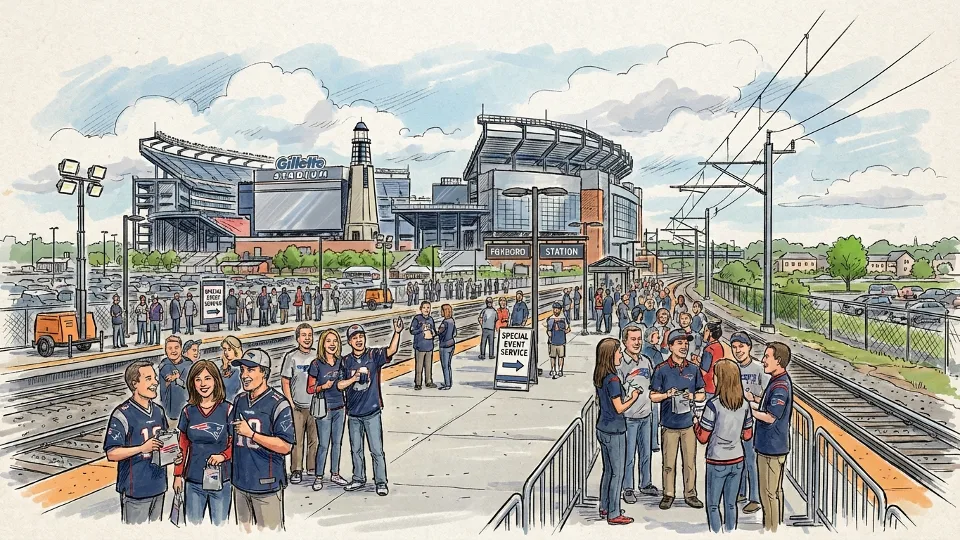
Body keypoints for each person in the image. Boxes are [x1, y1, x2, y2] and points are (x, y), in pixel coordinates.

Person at [104, 360, 180, 524]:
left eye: (154, 378)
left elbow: (164, 444)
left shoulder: (159, 412)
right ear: (135, 384)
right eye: (149, 379)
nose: (155, 383)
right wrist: (141, 448)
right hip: (135, 491)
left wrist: (174, 455)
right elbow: (112, 453)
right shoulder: (121, 414)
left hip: (159, 487)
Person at [229, 348, 294, 531]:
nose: (244, 375)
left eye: (250, 370)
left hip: (267, 487)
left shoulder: (278, 403)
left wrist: (252, 435)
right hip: (241, 483)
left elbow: (286, 446)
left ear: (264, 372)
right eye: (242, 370)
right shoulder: (239, 400)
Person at [338, 319, 404, 496]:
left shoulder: (374, 355)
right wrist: (353, 379)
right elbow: (339, 385)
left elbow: (391, 350)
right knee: (356, 449)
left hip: (372, 411)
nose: (358, 340)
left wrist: (397, 332)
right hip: (353, 413)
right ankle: (358, 478)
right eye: (354, 338)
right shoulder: (345, 362)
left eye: (361, 336)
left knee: (376, 449)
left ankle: (381, 481)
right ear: (349, 342)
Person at [694, 359, 754, 533]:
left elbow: (703, 437)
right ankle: (730, 532)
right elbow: (747, 435)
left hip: (717, 460)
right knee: (731, 504)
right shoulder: (744, 404)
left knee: (713, 505)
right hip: (737, 459)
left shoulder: (713, 405)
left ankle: (715, 533)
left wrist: (696, 423)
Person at [173, 359, 234, 526]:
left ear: (216, 380)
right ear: (192, 383)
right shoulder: (188, 412)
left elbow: (235, 444)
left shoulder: (228, 410)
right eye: (198, 379)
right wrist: (178, 475)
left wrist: (223, 456)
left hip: (222, 481)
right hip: (193, 480)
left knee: (220, 527)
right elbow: (182, 447)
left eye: (207, 378)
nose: (203, 384)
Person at [650, 329, 705, 510]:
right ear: (671, 346)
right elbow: (652, 396)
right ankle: (669, 494)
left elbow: (702, 395)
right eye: (679, 343)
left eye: (686, 343)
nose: (684, 346)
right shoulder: (661, 370)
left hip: (688, 424)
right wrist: (667, 394)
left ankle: (690, 493)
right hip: (669, 424)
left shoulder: (693, 369)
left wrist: (691, 397)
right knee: (669, 463)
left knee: (690, 463)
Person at [745, 342, 793, 532]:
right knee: (776, 491)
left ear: (778, 361)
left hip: (770, 448)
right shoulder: (778, 380)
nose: (763, 360)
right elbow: (768, 405)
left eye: (767, 357)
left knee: (768, 494)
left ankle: (771, 529)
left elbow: (770, 416)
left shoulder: (780, 386)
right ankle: (778, 526)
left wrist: (748, 410)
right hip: (776, 446)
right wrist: (755, 400)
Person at [593, 337, 640, 525]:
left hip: (602, 427)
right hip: (615, 430)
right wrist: (634, 397)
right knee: (617, 473)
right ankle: (613, 513)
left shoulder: (600, 374)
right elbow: (620, 407)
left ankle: (604, 506)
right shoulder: (613, 379)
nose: (620, 354)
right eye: (618, 351)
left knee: (608, 470)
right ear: (610, 355)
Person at [618, 326, 658, 505]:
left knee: (646, 452)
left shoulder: (646, 361)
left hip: (646, 414)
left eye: (639, 339)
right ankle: (628, 487)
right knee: (629, 455)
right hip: (629, 417)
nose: (637, 342)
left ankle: (645, 483)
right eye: (633, 339)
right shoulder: (620, 364)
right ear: (625, 341)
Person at [307, 329, 350, 491]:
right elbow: (310, 389)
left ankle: (335, 473)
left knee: (337, 443)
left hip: (340, 407)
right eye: (329, 341)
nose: (332, 344)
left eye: (335, 341)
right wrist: (323, 386)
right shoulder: (316, 364)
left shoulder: (341, 362)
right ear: (323, 344)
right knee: (324, 444)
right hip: (324, 409)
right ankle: (319, 477)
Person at [730, 332, 768, 515]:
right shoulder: (732, 369)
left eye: (741, 347)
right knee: (740, 459)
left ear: (749, 347)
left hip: (753, 422)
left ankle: (755, 498)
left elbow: (768, 399)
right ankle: (741, 492)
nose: (738, 351)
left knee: (751, 460)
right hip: (736, 422)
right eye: (735, 347)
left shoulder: (759, 369)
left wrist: (753, 398)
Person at [281, 323, 319, 484]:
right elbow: (285, 380)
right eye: (304, 335)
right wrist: (290, 402)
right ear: (298, 338)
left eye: (309, 335)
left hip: (315, 405)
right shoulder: (291, 357)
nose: (307, 338)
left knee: (315, 439)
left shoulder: (318, 356)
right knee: (297, 440)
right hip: (297, 405)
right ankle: (296, 470)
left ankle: (312, 468)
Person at [642, 326, 666, 452]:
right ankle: (654, 443)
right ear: (651, 338)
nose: (659, 337)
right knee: (654, 416)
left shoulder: (644, 350)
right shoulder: (655, 353)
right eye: (657, 335)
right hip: (654, 388)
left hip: (644, 386)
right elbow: (661, 369)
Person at [158, 335, 193, 423]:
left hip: (188, 408)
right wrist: (176, 379)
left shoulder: (188, 364)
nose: (173, 351)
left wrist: (178, 379)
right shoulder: (164, 365)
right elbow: (168, 378)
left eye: (176, 347)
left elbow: (189, 383)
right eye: (170, 348)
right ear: (166, 351)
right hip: (171, 412)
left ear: (181, 349)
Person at [410, 301, 437, 390]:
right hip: (420, 346)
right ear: (421, 309)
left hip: (429, 346)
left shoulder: (431, 319)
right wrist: (421, 329)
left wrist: (433, 333)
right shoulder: (417, 319)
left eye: (428, 308)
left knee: (428, 366)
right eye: (424, 307)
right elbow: (412, 330)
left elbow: (434, 331)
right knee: (419, 366)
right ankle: (418, 383)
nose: (426, 309)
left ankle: (428, 381)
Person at [695, 321, 724, 400]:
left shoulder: (709, 349)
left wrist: (695, 365)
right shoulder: (718, 346)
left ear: (710, 333)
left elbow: (703, 371)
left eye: (705, 330)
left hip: (708, 387)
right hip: (716, 386)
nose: (703, 332)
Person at [545, 302, 570, 379]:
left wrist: (566, 331)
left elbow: (568, 328)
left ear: (560, 310)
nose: (556, 311)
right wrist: (548, 333)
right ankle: (553, 370)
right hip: (552, 341)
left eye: (557, 309)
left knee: (561, 357)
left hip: (561, 341)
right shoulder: (550, 319)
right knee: (552, 357)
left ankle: (560, 370)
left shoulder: (564, 318)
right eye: (554, 309)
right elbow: (548, 329)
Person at [437, 304, 457, 390]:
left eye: (441, 310)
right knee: (448, 365)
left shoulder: (444, 322)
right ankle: (449, 382)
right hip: (452, 344)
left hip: (444, 346)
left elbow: (439, 332)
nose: (440, 312)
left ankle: (447, 384)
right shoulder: (452, 320)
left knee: (445, 366)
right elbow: (455, 333)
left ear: (445, 311)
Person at [220, 336, 243, 401]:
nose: (226, 352)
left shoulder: (239, 369)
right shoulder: (225, 367)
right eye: (224, 349)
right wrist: (225, 366)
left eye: (229, 349)